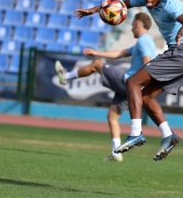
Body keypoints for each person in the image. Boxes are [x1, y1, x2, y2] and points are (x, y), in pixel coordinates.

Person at [74, 0, 183, 161]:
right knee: (147, 97)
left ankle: (136, 133)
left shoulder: (171, 5)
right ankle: (168, 135)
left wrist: (182, 30)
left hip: (181, 53)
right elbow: (122, 4)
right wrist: (95, 9)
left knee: (132, 82)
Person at [55, 12, 156, 162]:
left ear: (137, 24)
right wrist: (97, 52)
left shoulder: (144, 41)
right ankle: (116, 151)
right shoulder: (144, 42)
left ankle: (67, 77)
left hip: (130, 83)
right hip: (134, 89)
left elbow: (148, 64)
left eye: (132, 26)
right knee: (112, 116)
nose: (131, 30)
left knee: (96, 64)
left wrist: (141, 83)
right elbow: (119, 53)